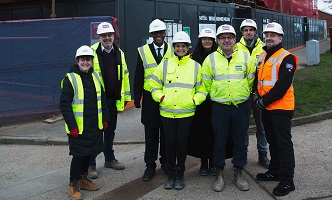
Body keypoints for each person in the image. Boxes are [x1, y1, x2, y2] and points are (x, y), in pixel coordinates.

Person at [201, 24, 256, 192]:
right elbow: (206, 83)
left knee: (240, 141)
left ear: (234, 39)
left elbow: (250, 78)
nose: (226, 40)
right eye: (223, 38)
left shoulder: (245, 57)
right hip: (220, 107)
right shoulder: (210, 59)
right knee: (219, 141)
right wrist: (218, 95)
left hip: (240, 106)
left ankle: (238, 174)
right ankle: (219, 174)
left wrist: (243, 92)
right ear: (218, 40)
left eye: (230, 37)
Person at [150, 31, 207, 190]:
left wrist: (194, 101)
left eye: (183, 46)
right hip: (167, 112)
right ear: (174, 47)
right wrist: (160, 97)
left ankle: (180, 172)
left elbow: (202, 89)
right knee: (169, 144)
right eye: (178, 46)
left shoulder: (195, 66)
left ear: (188, 47)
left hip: (186, 113)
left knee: (181, 144)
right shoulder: (165, 64)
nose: (181, 48)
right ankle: (171, 174)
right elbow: (153, 85)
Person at [60, 45, 109, 200]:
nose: (85, 62)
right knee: (79, 156)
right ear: (77, 61)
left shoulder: (95, 77)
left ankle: (83, 179)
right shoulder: (70, 79)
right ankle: (73, 183)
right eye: (83, 59)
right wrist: (72, 125)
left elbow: (103, 101)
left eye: (88, 59)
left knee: (90, 153)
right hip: (78, 128)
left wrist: (105, 119)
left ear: (91, 61)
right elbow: (64, 104)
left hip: (94, 125)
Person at [255, 22, 298, 197]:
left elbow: (282, 85)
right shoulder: (263, 54)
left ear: (280, 38)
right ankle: (275, 170)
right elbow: (259, 79)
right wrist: (256, 96)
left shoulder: (286, 58)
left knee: (283, 143)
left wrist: (264, 101)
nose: (269, 38)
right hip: (266, 107)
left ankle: (288, 179)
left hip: (281, 108)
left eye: (273, 35)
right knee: (273, 141)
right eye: (267, 35)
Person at [88, 22, 131, 179]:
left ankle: (109, 159)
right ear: (98, 37)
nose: (107, 38)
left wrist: (126, 98)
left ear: (114, 36)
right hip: (97, 101)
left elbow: (125, 76)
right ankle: (91, 164)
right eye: (104, 35)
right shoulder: (91, 52)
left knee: (110, 131)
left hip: (112, 100)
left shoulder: (119, 53)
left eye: (109, 35)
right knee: (95, 132)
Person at [134, 19, 173, 181]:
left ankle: (165, 163)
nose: (159, 35)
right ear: (151, 34)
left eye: (161, 33)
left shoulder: (172, 49)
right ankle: (150, 165)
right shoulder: (143, 51)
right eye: (156, 33)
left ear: (165, 34)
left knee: (166, 134)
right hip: (150, 99)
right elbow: (138, 75)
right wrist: (137, 97)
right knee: (151, 135)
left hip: (167, 97)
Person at [234, 19, 270, 169]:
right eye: (245, 30)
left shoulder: (264, 47)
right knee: (242, 127)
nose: (249, 32)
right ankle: (242, 155)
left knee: (261, 126)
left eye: (251, 30)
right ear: (242, 32)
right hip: (242, 93)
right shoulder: (235, 47)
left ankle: (263, 154)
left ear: (255, 32)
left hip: (259, 93)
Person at [187, 28, 218, 176]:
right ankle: (204, 162)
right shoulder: (193, 57)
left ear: (213, 41)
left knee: (215, 132)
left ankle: (214, 162)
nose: (207, 41)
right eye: (204, 38)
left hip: (216, 100)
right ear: (200, 40)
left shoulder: (219, 56)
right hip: (200, 103)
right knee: (202, 133)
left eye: (209, 39)